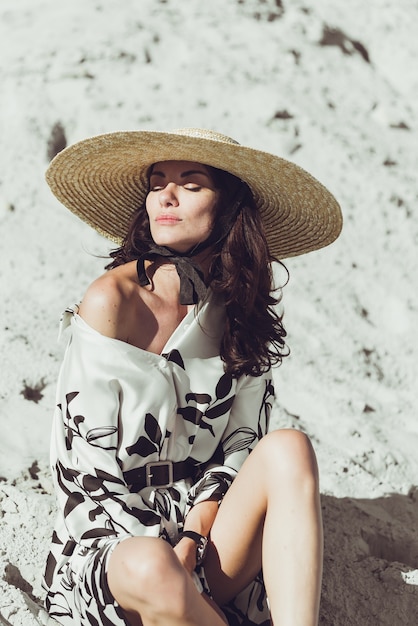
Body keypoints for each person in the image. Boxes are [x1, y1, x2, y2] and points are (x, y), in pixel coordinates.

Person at [42, 128, 342, 626]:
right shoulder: (111, 301)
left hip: (204, 534)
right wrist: (166, 551)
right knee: (152, 564)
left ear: (227, 207)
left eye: (192, 183)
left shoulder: (237, 308)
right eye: (158, 182)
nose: (167, 195)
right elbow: (84, 476)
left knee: (289, 447)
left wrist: (196, 534)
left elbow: (242, 447)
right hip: (117, 549)